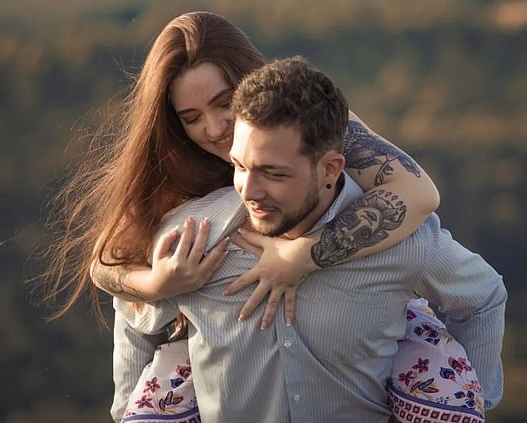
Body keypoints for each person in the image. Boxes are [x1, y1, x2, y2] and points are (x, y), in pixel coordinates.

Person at [112, 56, 506, 422]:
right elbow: (135, 315)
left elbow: (482, 296)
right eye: (240, 165)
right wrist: (126, 406)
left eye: (274, 173)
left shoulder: (401, 243)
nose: (248, 190)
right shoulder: (196, 237)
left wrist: (474, 397)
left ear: (330, 168)